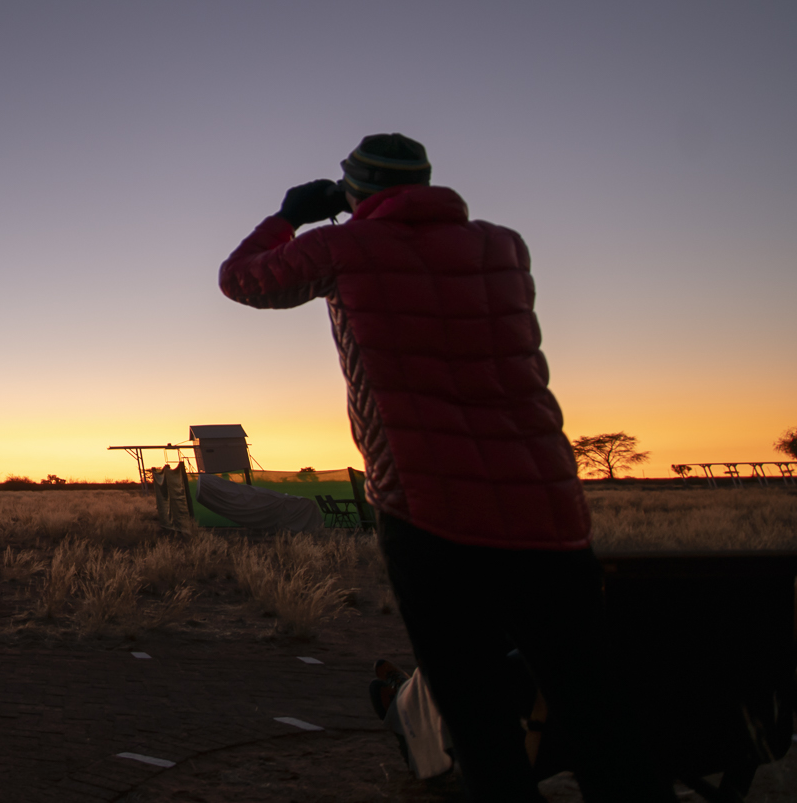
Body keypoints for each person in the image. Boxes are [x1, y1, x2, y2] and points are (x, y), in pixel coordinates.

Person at [218, 134, 671, 803]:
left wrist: (288, 215)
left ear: (354, 192)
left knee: (475, 708)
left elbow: (242, 278)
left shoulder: (345, 248)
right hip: (545, 503)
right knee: (592, 702)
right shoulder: (503, 247)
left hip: (428, 507)